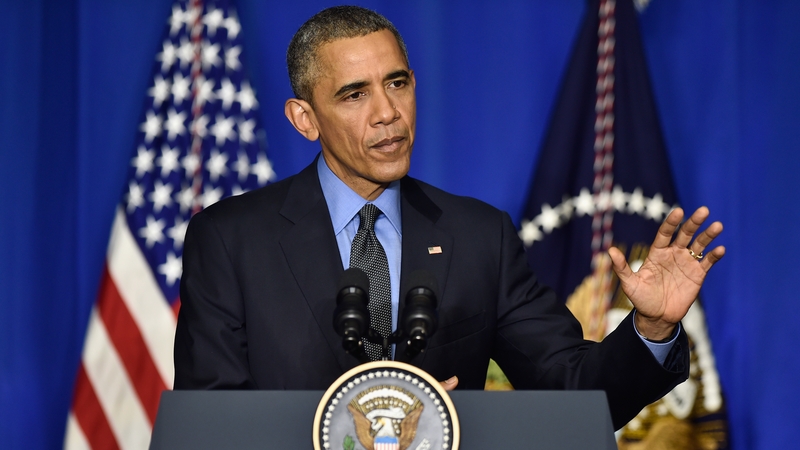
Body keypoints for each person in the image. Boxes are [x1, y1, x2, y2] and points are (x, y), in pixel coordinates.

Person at [174, 6, 725, 429]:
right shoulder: (230, 240)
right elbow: (212, 422)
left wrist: (651, 328)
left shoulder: (478, 236)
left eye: (397, 83)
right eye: (353, 94)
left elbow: (574, 393)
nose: (387, 113)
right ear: (305, 119)